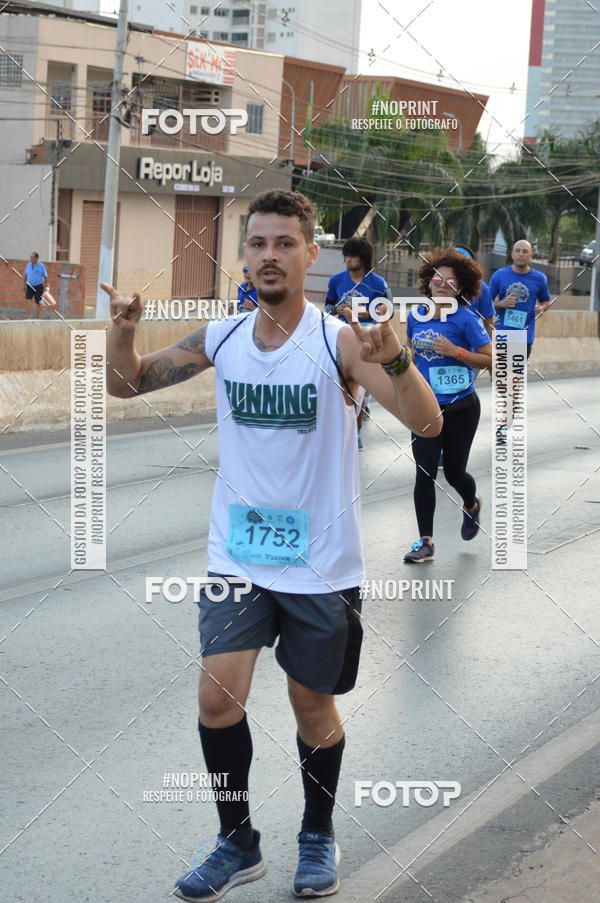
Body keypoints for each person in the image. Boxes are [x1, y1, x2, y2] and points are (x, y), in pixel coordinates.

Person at [102, 189, 441, 901]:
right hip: (238, 556)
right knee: (217, 697)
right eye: (257, 243)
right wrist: (122, 332)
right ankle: (237, 841)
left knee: (309, 704)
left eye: (284, 243)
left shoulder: (338, 341)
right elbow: (126, 385)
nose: (268, 255)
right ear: (244, 255)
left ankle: (317, 833)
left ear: (310, 255)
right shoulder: (221, 338)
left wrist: (401, 360)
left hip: (321, 564)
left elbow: (428, 422)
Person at [404, 248, 492, 564]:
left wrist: (457, 352)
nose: (442, 284)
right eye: (437, 278)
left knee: (454, 474)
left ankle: (471, 504)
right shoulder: (416, 316)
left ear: (460, 287)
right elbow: (412, 355)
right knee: (424, 473)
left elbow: (492, 359)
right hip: (426, 408)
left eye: (449, 281)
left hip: (461, 408)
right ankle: (425, 543)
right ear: (428, 282)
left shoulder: (467, 319)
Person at [326, 238, 390, 447]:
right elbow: (328, 306)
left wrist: (368, 313)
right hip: (341, 339)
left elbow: (388, 311)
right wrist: (338, 310)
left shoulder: (378, 284)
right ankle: (338, 430)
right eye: (345, 255)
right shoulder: (336, 280)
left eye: (352, 256)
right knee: (340, 387)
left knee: (360, 391)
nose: (347, 259)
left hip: (366, 342)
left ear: (363, 258)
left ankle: (356, 431)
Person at [488, 239, 551, 359]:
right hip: (502, 334)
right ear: (512, 255)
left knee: (516, 377)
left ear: (531, 256)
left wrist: (541, 308)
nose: (521, 254)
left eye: (525, 251)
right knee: (501, 376)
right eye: (517, 251)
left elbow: (546, 301)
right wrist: (501, 304)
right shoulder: (499, 275)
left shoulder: (539, 279)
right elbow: (485, 303)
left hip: (524, 336)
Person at [453, 245, 494, 339]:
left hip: (470, 346)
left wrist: (491, 350)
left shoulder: (481, 288)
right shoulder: (440, 284)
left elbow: (488, 324)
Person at [24, 251, 48, 318]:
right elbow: (25, 275)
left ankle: (37, 317)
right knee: (28, 300)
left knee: (38, 302)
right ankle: (29, 316)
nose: (30, 259)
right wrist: (24, 285)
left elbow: (45, 276)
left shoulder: (41, 266)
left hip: (38, 286)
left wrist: (46, 286)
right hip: (29, 286)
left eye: (32, 257)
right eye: (30, 257)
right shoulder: (28, 265)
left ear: (36, 258)